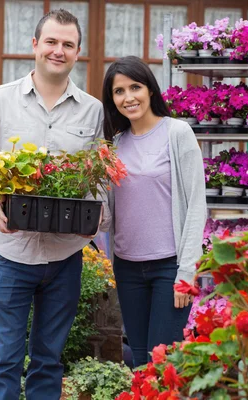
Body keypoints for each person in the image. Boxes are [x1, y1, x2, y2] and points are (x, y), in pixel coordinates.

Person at [0, 9, 106, 400]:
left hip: (66, 256)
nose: (59, 51)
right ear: (35, 45)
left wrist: (96, 219)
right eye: (52, 42)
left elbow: (98, 180)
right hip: (10, 253)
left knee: (48, 361)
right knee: (4, 360)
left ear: (78, 52)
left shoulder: (92, 110)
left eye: (68, 45)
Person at [102, 56, 207, 367]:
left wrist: (186, 273)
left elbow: (196, 206)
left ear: (150, 90)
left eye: (135, 87)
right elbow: (108, 214)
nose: (128, 97)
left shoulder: (177, 133)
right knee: (138, 363)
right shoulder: (115, 144)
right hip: (127, 267)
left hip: (168, 269)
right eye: (119, 91)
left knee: (161, 365)